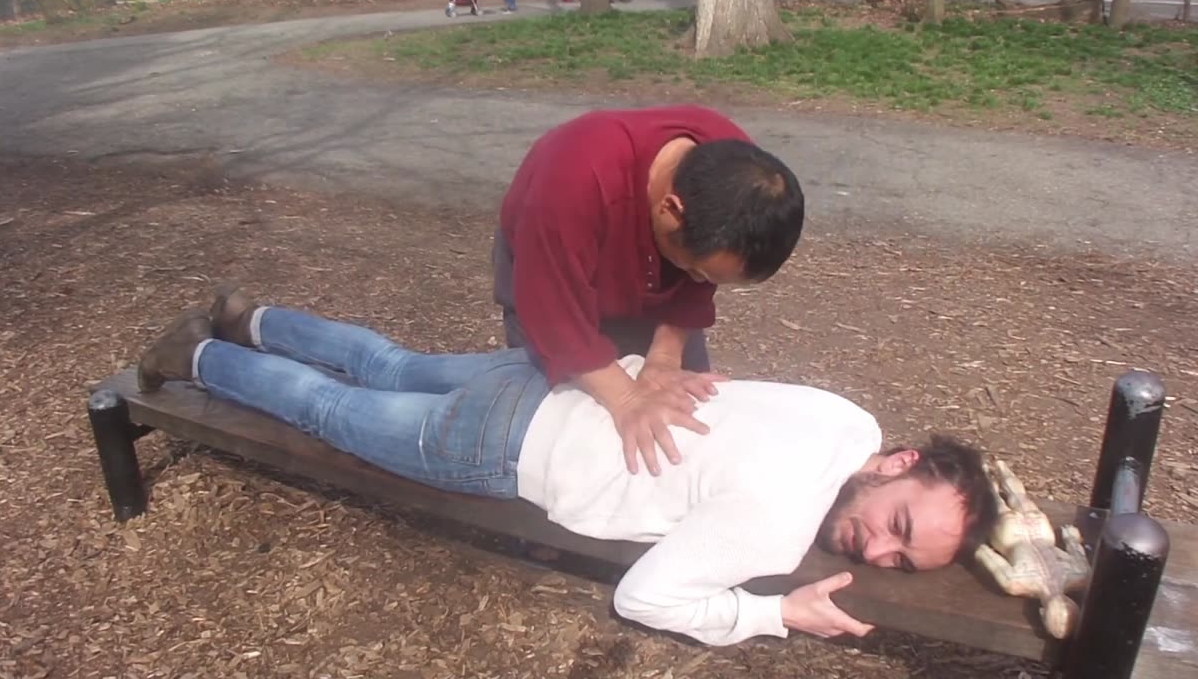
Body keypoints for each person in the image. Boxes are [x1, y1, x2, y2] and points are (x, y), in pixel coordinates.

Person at [136, 286, 999, 646]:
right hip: (510, 448)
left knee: (393, 363)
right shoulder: (773, 534)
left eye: (897, 559)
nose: (873, 551)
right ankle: (200, 360)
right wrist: (772, 616)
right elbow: (642, 598)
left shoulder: (849, 421)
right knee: (329, 412)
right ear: (900, 464)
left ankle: (253, 317)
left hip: (569, 379)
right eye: (896, 525)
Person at [492, 105, 805, 478]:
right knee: (554, 416)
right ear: (671, 209)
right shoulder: (574, 178)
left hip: (650, 274)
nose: (702, 282)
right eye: (695, 270)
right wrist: (627, 398)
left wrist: (665, 359)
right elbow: (554, 318)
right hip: (547, 268)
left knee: (681, 409)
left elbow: (696, 283)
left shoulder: (745, 178)